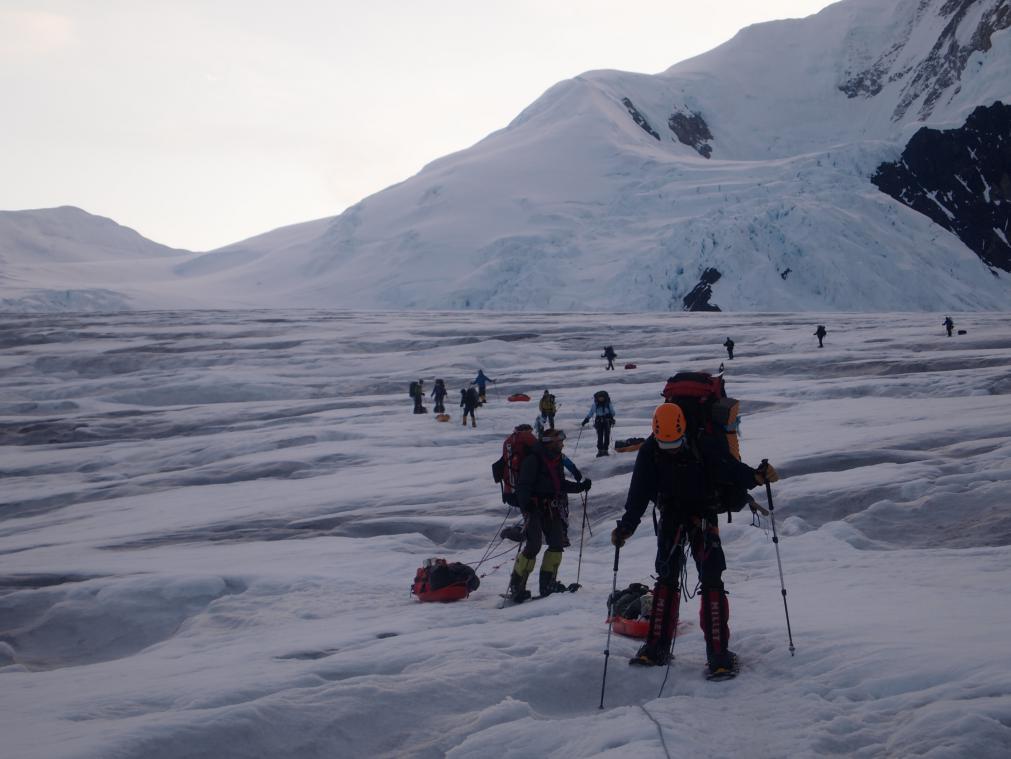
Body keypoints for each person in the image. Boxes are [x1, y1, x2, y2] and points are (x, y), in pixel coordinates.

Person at [610, 403, 779, 676]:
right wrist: (627, 527)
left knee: (711, 577)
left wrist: (756, 477)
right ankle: (659, 648)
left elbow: (729, 469)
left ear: (684, 431)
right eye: (665, 445)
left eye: (675, 444)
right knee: (667, 576)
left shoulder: (703, 442)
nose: (671, 449)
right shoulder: (650, 451)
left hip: (703, 512)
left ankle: (717, 654)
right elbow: (639, 492)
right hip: (672, 513)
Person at [505, 428, 591, 602]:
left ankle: (548, 584)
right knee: (534, 545)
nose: (562, 444)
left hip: (550, 506)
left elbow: (559, 484)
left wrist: (580, 487)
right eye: (559, 441)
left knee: (557, 543)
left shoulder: (555, 458)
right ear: (549, 442)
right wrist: (527, 505)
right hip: (533, 507)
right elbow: (524, 486)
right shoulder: (533, 460)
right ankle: (517, 586)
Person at [582, 390, 616, 457]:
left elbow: (613, 413)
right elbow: (591, 412)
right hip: (599, 421)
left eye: (602, 397)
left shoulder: (608, 403)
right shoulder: (595, 404)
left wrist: (609, 415)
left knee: (606, 436)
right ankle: (600, 451)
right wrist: (586, 419)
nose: (601, 398)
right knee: (600, 436)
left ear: (605, 397)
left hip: (607, 421)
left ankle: (605, 450)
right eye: (599, 397)